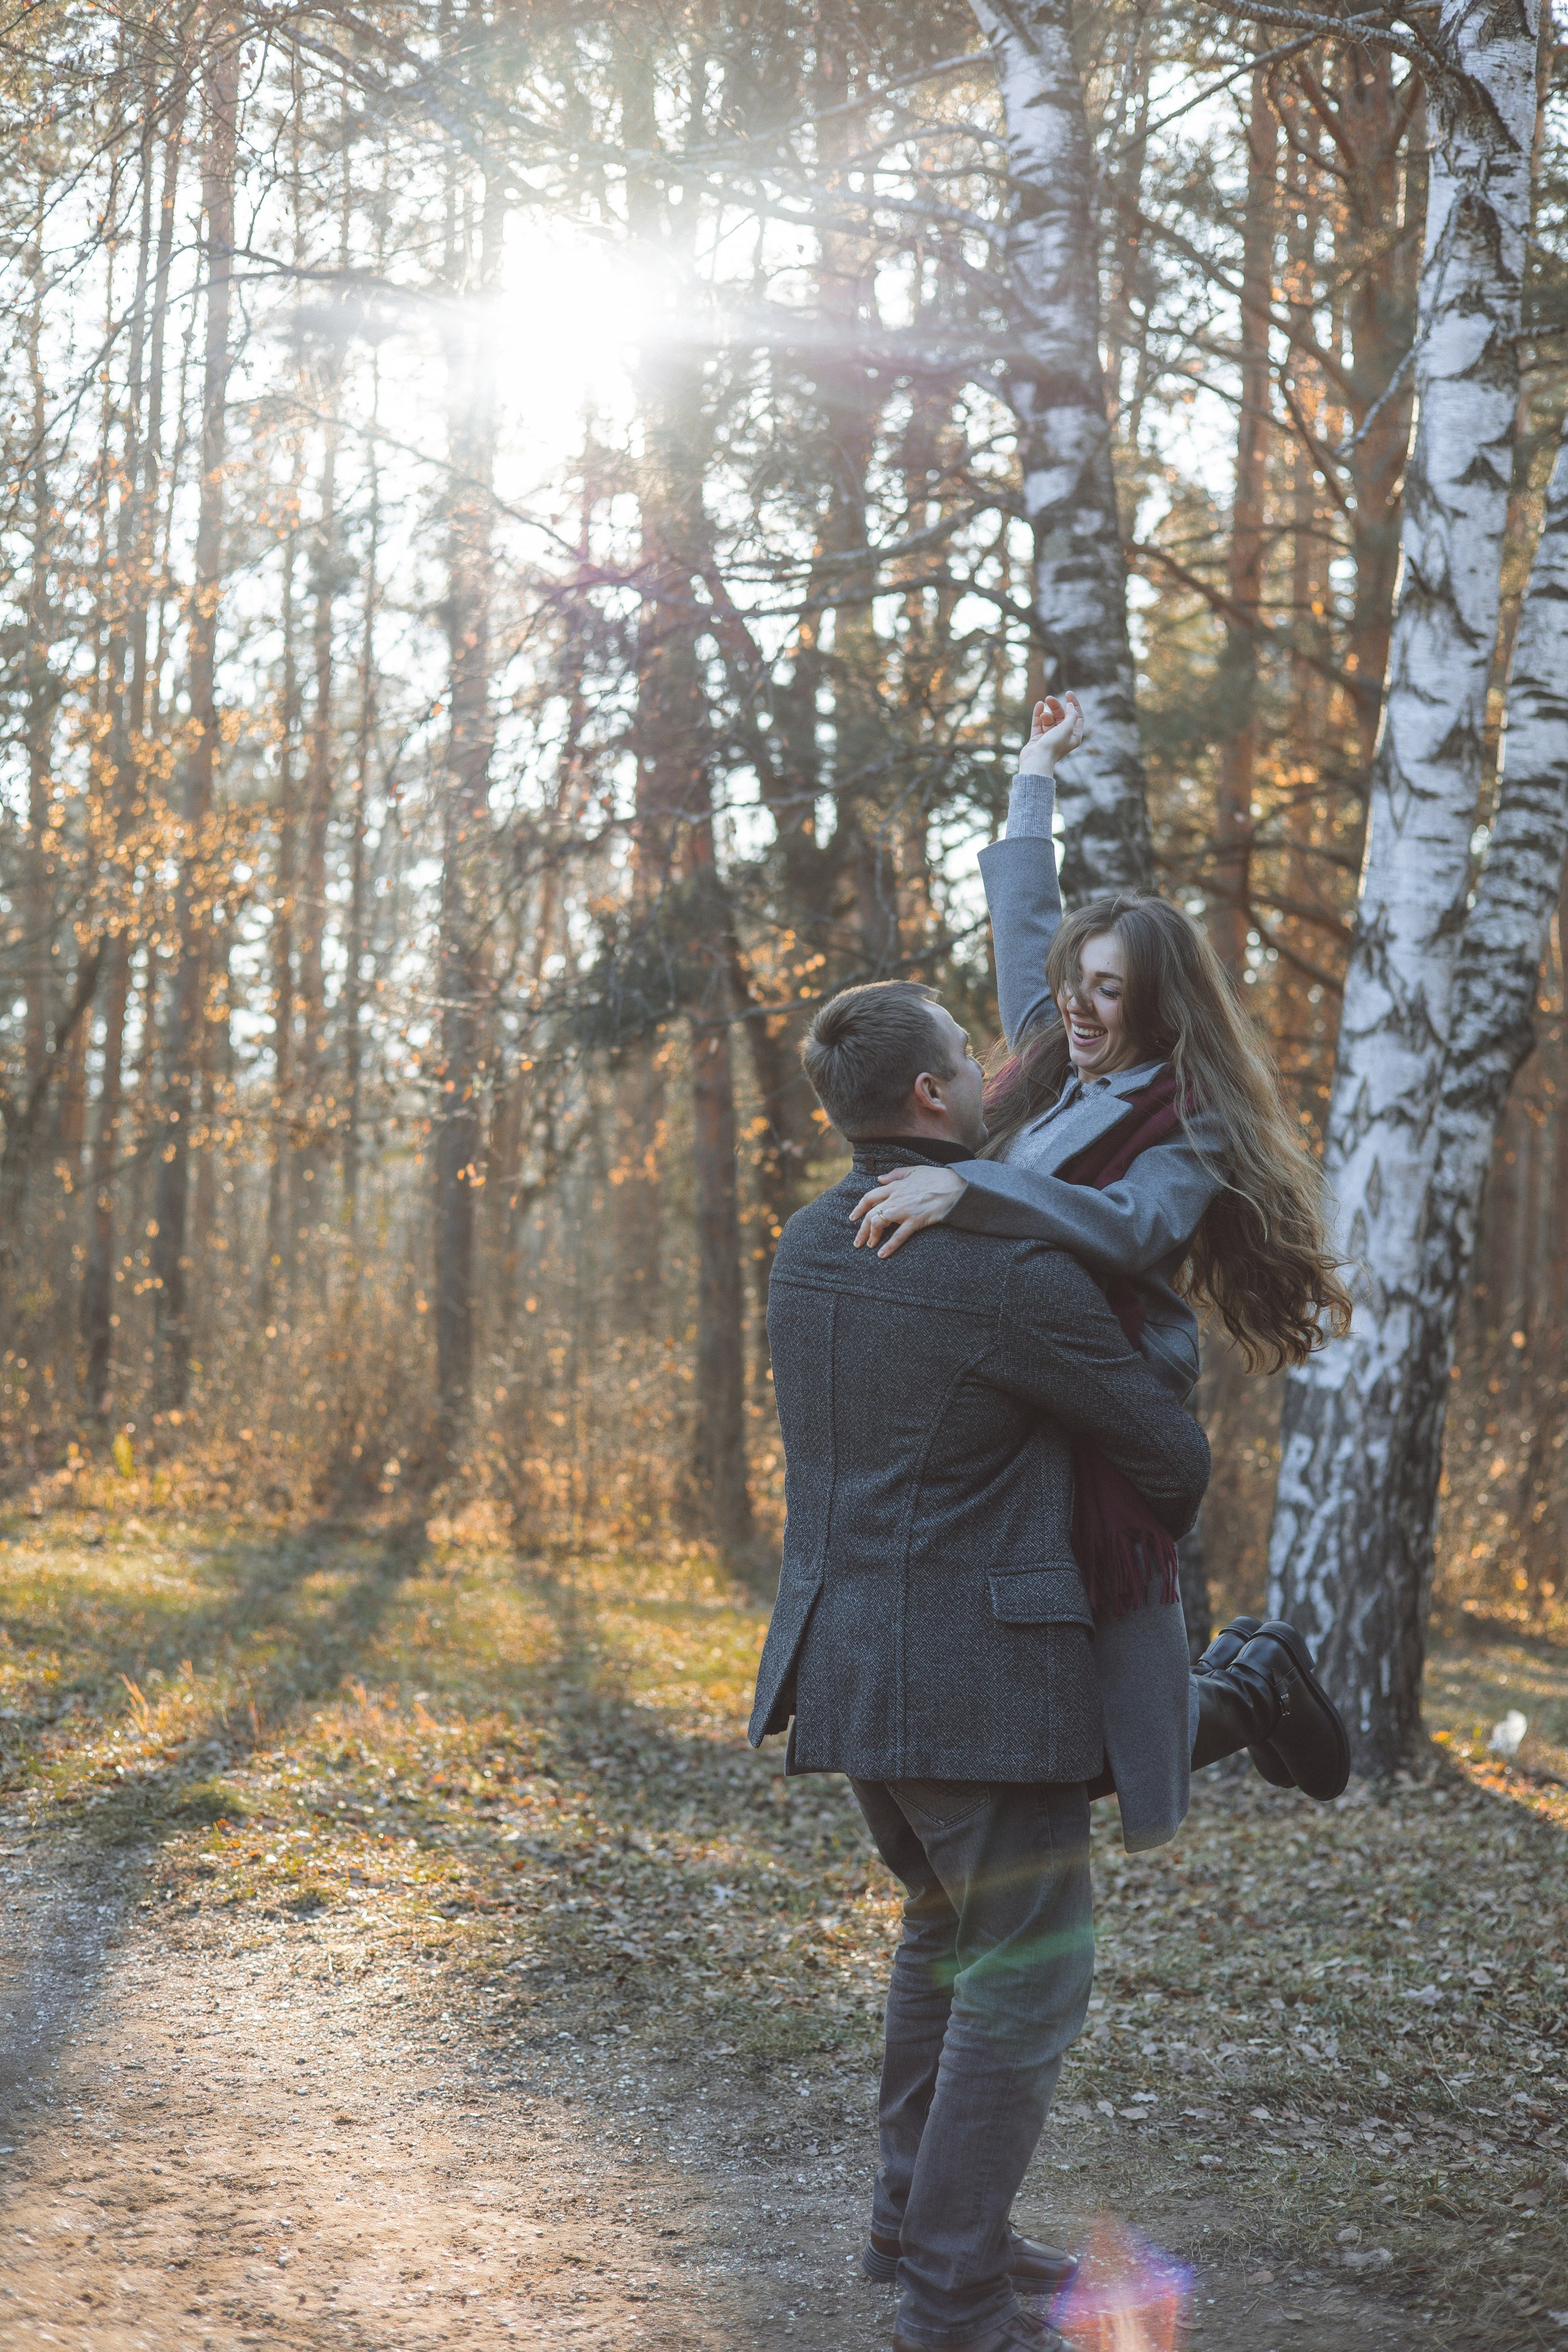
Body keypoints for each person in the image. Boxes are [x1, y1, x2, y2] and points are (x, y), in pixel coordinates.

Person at [748, 976, 1213, 2352]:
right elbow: (1171, 1463)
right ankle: (950, 2304)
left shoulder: (803, 1242)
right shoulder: (1006, 1275)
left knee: (944, 1942)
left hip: (844, 1671)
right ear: (932, 1098)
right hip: (979, 1689)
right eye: (970, 1054)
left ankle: (916, 2231)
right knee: (1024, 1982)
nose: (997, 1065)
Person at [848, 693, 1354, 1839]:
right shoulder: (1058, 1051)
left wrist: (965, 1186)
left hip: (1101, 1404)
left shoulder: (1190, 1121)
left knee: (1112, 1734)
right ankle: (1246, 1689)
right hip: (1009, 1395)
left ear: (1158, 1004)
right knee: (1042, 1722)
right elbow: (1027, 911)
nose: (1077, 1002)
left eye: (1108, 988)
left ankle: (1250, 1690)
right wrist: (1033, 771)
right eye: (1076, 979)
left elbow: (1129, 1227)